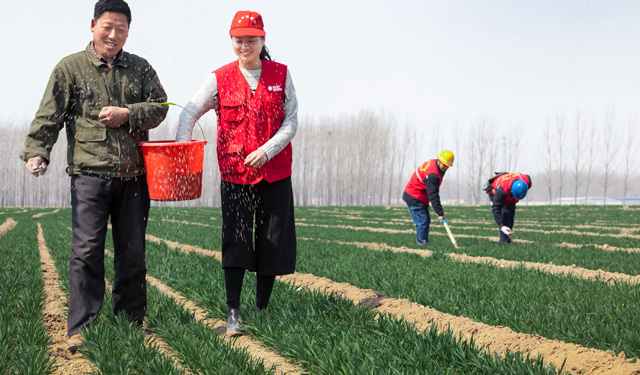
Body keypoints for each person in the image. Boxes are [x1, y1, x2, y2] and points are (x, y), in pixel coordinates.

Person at [19, 0, 168, 351]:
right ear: (93, 25)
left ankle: (130, 323)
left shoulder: (140, 68)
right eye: (107, 27)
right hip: (89, 175)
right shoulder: (70, 68)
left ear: (129, 31)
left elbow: (161, 106)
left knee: (132, 253)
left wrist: (128, 113)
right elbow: (49, 114)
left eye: (121, 28)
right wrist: (38, 151)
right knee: (86, 251)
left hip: (133, 176)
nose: (114, 35)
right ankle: (82, 328)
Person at [175, 10, 298, 336]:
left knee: (272, 242)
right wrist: (181, 145)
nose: (244, 46)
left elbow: (291, 122)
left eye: (251, 40)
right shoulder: (219, 78)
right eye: (238, 40)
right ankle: (233, 315)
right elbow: (190, 111)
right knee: (236, 241)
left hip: (274, 172)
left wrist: (268, 149)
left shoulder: (280, 75)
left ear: (262, 40)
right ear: (232, 41)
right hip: (235, 174)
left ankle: (261, 312)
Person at [402, 150, 454, 245]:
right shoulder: (432, 175)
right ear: (439, 161)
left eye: (448, 166)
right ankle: (422, 244)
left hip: (418, 195)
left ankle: (423, 242)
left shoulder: (434, 163)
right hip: (414, 195)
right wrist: (440, 213)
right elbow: (433, 195)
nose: (445, 168)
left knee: (425, 219)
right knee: (422, 220)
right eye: (444, 165)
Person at [486, 173, 532, 244]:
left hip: (509, 193)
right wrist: (501, 226)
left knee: (511, 214)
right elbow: (496, 209)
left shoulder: (525, 181)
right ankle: (504, 242)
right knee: (505, 214)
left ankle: (508, 238)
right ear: (511, 190)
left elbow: (528, 178)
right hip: (494, 191)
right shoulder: (501, 191)